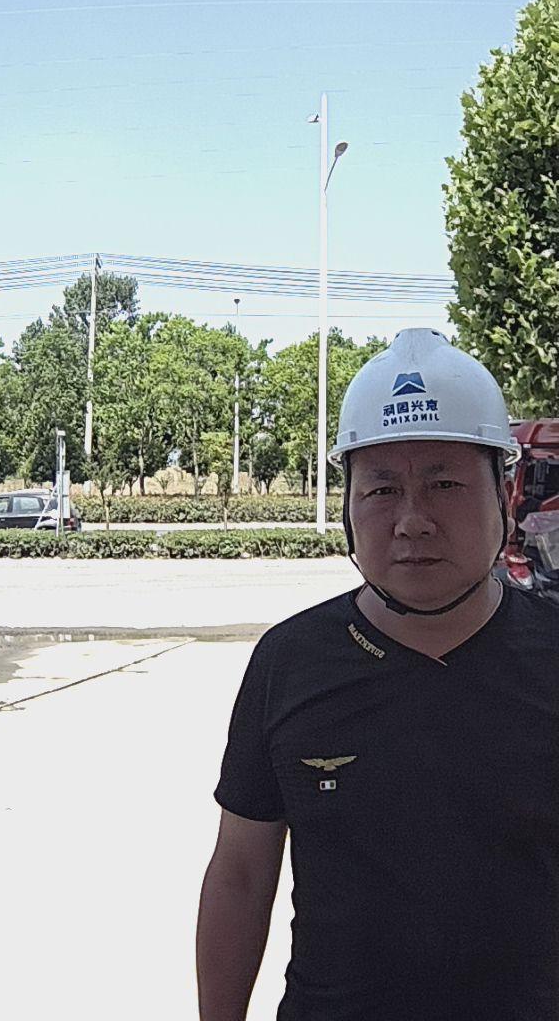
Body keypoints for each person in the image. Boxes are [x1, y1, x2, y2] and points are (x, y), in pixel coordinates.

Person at [196, 328, 559, 1021]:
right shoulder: (289, 662)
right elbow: (241, 875)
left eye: (445, 485)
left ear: (505, 492)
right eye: (383, 489)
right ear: (348, 505)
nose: (412, 521)